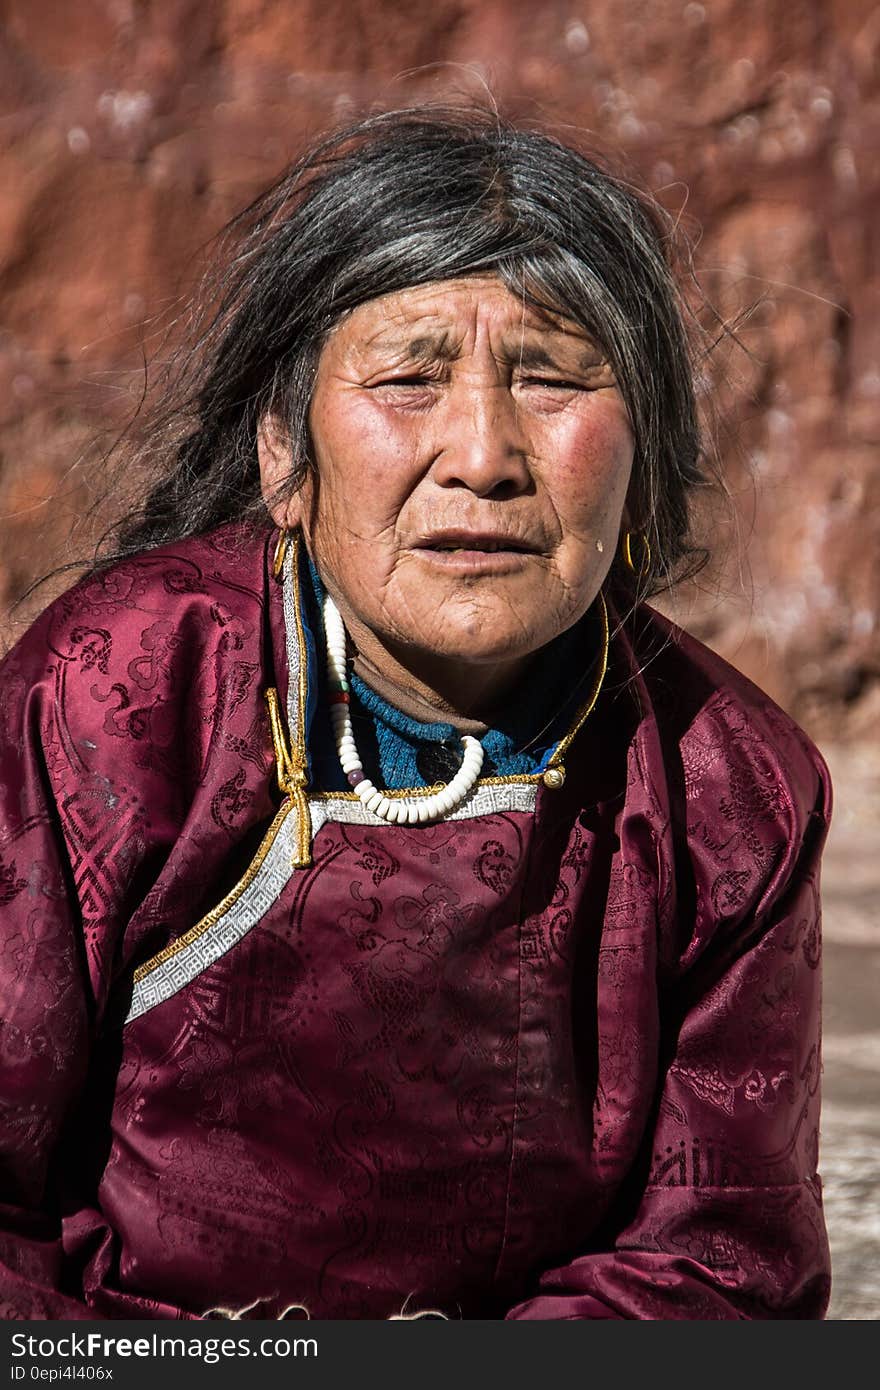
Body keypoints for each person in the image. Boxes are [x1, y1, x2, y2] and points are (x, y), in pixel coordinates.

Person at [0, 106, 831, 1321]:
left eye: (551, 377)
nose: (484, 453)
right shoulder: (119, 695)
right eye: (408, 378)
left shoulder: (732, 794)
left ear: (638, 458)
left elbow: (721, 1267)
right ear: (284, 452)